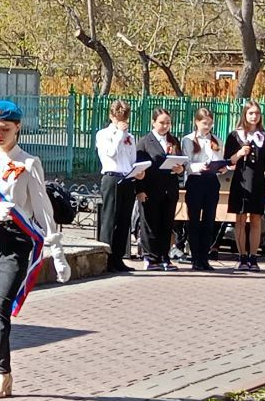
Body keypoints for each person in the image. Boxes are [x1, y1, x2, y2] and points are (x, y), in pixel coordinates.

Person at [0, 101, 70, 401]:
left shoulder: (29, 162)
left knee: (0, 309)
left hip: (15, 241)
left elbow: (42, 209)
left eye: (5, 129)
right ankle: (5, 373)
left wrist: (57, 252)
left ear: (18, 128)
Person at [225, 100, 265, 271]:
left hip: (258, 182)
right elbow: (228, 162)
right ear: (245, 115)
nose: (254, 116)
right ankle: (242, 256)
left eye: (257, 113)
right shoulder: (234, 135)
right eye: (251, 113)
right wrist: (239, 153)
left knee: (255, 219)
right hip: (241, 180)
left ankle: (253, 257)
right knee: (240, 219)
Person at [95, 100, 146, 272]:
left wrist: (138, 171)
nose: (122, 122)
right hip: (111, 178)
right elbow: (111, 153)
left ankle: (117, 258)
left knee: (124, 220)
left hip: (126, 179)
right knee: (110, 220)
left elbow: (131, 160)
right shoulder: (103, 134)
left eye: (124, 118)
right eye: (118, 118)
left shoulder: (130, 138)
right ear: (112, 116)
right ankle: (106, 258)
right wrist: (118, 133)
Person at [137, 108, 185, 271]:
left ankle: (165, 257)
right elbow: (139, 167)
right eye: (161, 123)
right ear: (153, 122)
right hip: (151, 188)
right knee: (150, 223)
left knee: (166, 224)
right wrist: (140, 190)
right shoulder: (144, 142)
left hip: (169, 189)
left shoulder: (173, 141)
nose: (165, 126)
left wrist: (180, 169)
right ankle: (151, 257)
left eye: (168, 123)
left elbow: (180, 162)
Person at [181, 108, 223, 272]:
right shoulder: (188, 140)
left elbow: (221, 162)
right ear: (197, 122)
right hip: (196, 180)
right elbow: (187, 164)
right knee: (194, 220)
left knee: (209, 220)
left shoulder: (217, 140)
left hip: (211, 181)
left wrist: (221, 167)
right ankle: (195, 257)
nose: (207, 127)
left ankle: (205, 257)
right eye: (204, 123)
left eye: (210, 123)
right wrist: (201, 166)